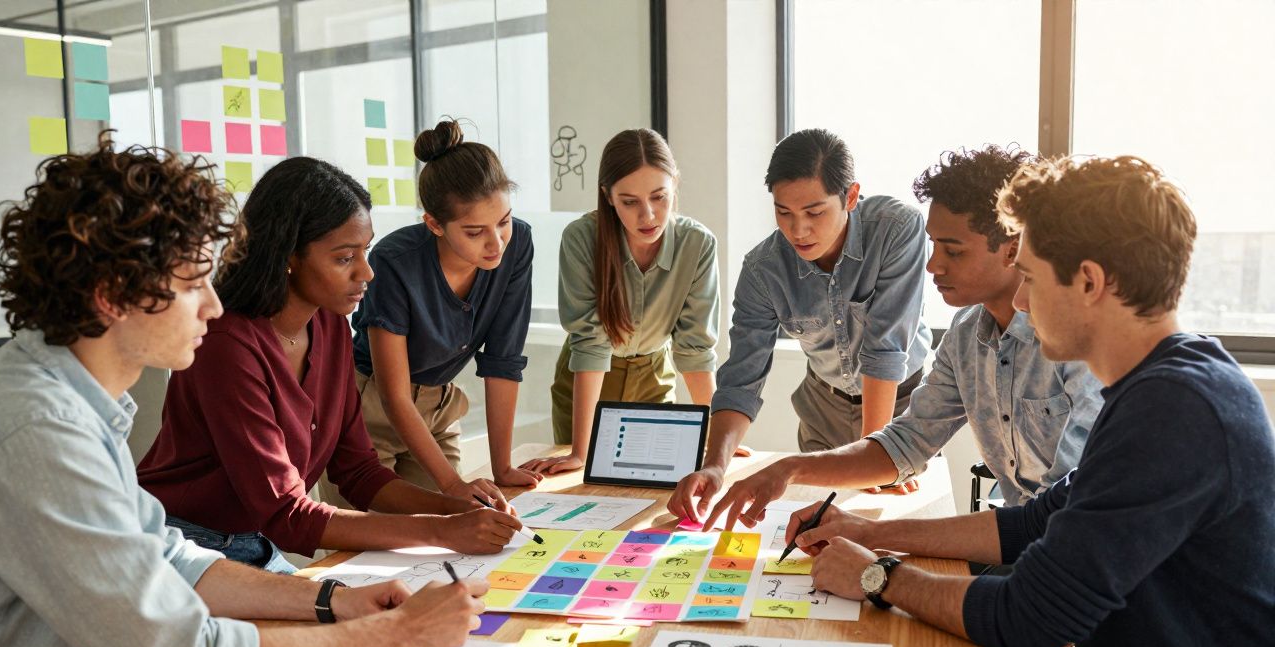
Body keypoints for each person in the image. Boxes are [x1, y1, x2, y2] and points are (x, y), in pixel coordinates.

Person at [0, 135, 487, 647]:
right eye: (192, 284)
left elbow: (173, 559)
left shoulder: (73, 406)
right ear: (113, 298)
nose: (213, 306)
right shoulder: (39, 433)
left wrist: (335, 600)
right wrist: (397, 632)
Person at [788, 156, 1275, 647]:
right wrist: (872, 534)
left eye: (1034, 279)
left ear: (1089, 282)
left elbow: (1028, 624)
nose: (1022, 302)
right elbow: (1030, 524)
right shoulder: (1165, 384)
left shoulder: (1175, 413)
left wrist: (877, 575)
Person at [677, 145, 1103, 529]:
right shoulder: (965, 336)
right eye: (934, 245)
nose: (933, 265)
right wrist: (786, 469)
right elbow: (907, 442)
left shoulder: (1076, 344)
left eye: (952, 251)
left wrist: (878, 533)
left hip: (1062, 559)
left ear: (1013, 249)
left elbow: (1059, 515)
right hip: (1024, 549)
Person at [138, 156, 521, 571]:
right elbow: (287, 514)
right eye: (344, 258)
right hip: (181, 543)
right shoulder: (226, 344)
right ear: (289, 256)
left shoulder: (330, 323)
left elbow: (357, 470)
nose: (367, 272)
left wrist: (455, 507)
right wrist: (442, 530)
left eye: (366, 250)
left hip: (254, 544)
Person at [673, 128, 933, 518]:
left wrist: (874, 457)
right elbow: (742, 379)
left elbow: (885, 351)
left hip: (899, 404)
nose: (798, 230)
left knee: (895, 534)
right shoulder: (764, 270)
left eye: (814, 212)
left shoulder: (897, 230)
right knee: (814, 536)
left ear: (850, 196)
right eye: (784, 212)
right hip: (823, 407)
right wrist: (715, 464)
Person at [352, 119, 540, 496]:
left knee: (452, 536)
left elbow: (503, 360)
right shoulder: (395, 261)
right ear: (435, 225)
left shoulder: (517, 244)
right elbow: (394, 395)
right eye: (474, 232)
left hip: (439, 407)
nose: (496, 244)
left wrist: (501, 467)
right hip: (368, 409)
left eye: (502, 222)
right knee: (374, 544)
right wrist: (453, 483)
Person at [519, 129, 720, 476]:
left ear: (675, 185)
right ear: (608, 197)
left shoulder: (698, 244)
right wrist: (580, 453)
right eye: (630, 202)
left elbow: (695, 349)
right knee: (582, 490)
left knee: (652, 491)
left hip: (654, 379)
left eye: (660, 197)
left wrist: (719, 443)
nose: (649, 216)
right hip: (586, 382)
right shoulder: (582, 239)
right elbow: (591, 344)